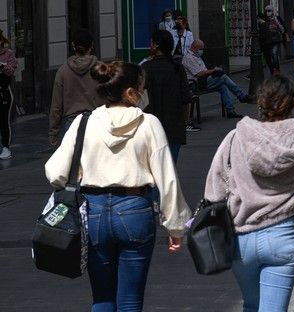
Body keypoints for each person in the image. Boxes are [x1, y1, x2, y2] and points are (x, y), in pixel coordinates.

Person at [45, 60, 191, 311]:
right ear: (131, 92)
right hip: (135, 209)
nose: (144, 94)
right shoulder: (149, 123)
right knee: (130, 300)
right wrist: (175, 226)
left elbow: (54, 171)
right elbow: (167, 178)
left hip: (94, 210)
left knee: (102, 297)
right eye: (142, 88)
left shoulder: (83, 122)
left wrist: (82, 173)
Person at [204, 75, 294, 312]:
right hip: (281, 235)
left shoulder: (236, 137)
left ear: (260, 103)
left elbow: (214, 190)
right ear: (293, 104)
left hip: (241, 238)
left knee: (251, 305)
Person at [49, 28, 105, 147]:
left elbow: (56, 106)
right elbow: (109, 97)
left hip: (71, 125)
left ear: (73, 46)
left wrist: (53, 133)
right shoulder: (101, 69)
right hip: (96, 123)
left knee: (73, 163)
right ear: (92, 46)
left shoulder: (63, 71)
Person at [142, 30, 192, 162]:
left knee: (153, 171)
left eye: (151, 43)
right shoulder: (177, 68)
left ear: (156, 46)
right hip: (174, 126)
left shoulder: (146, 67)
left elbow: (139, 98)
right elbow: (186, 99)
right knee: (170, 170)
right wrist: (184, 121)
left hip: (151, 126)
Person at [181, 39, 250, 119]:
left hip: (204, 80)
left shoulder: (196, 56)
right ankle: (241, 96)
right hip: (196, 83)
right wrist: (213, 70)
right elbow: (199, 73)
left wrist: (214, 71)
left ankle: (230, 111)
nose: (202, 51)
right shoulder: (188, 58)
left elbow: (204, 71)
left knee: (223, 86)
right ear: (195, 48)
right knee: (223, 78)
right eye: (201, 49)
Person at [0, 32, 16, 160]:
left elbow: (11, 70)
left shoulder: (8, 54)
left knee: (4, 120)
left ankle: (6, 147)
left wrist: (3, 67)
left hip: (3, 91)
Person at [259, 5, 287, 76]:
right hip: (267, 41)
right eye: (266, 11)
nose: (268, 12)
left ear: (272, 11)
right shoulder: (264, 19)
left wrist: (277, 23)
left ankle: (277, 70)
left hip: (275, 40)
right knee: (268, 57)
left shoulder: (277, 18)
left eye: (269, 11)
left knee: (274, 54)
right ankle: (272, 71)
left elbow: (283, 30)